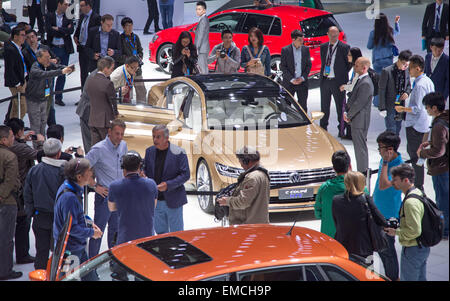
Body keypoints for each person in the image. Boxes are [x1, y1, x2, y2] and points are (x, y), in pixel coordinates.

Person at [85, 119, 128, 258]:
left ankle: (114, 264)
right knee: (98, 232)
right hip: (104, 197)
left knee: (115, 232)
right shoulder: (98, 149)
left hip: (120, 197)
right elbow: (82, 169)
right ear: (109, 132)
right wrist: (94, 185)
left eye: (122, 134)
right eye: (117, 134)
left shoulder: (124, 146)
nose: (119, 137)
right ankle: (90, 266)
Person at [23, 138, 66, 270]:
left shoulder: (34, 170)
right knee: (62, 252)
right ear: (59, 153)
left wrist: (31, 213)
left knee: (41, 251)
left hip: (40, 216)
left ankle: (40, 276)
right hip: (60, 219)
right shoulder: (64, 171)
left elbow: (27, 194)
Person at [6, 118, 44, 266]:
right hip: (21, 190)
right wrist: (40, 142)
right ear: (19, 132)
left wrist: (23, 140)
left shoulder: (12, 145)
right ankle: (22, 254)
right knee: (23, 223)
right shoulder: (18, 147)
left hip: (14, 190)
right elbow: (39, 155)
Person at [53, 158, 103, 268]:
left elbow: (77, 215)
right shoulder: (69, 197)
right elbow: (71, 228)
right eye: (88, 173)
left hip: (77, 246)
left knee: (90, 276)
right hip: (70, 251)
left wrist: (89, 222)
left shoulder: (69, 187)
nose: (91, 174)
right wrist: (92, 233)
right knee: (71, 278)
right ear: (79, 177)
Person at [395, 55, 434, 191]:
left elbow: (417, 108)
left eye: (410, 68)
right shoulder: (427, 81)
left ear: (417, 68)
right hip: (423, 124)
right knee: (417, 156)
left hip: (416, 126)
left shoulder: (420, 85)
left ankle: (418, 186)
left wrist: (402, 109)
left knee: (415, 156)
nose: (409, 71)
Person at [385, 164, 431, 281]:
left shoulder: (410, 202)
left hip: (413, 249)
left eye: (395, 180)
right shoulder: (418, 192)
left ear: (405, 180)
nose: (392, 182)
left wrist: (396, 232)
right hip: (422, 247)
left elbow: (414, 231)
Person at [143, 125, 190, 234]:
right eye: (153, 136)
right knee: (160, 234)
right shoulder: (149, 151)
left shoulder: (179, 152)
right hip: (155, 201)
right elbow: (144, 168)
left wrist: (168, 185)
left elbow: (185, 174)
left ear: (167, 138)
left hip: (173, 200)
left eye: (158, 137)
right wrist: (143, 175)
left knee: (177, 235)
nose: (155, 140)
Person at [332, 171, 387, 263]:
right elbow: (381, 220)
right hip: (364, 247)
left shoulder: (336, 200)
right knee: (366, 274)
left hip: (343, 245)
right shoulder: (365, 199)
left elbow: (336, 222)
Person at [373, 131, 404, 281]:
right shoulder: (385, 158)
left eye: (380, 147)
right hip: (377, 210)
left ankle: (393, 278)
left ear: (390, 149)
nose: (379, 151)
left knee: (387, 249)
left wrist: (385, 162)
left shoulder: (398, 168)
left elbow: (384, 184)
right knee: (381, 248)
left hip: (388, 215)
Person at [108, 151, 158, 245]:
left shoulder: (114, 186)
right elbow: (153, 205)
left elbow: (111, 208)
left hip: (125, 238)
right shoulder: (151, 184)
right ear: (140, 167)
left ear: (123, 167)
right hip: (148, 238)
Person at [26, 49, 73, 145]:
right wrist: (62, 72)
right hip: (34, 101)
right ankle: (37, 147)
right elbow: (46, 74)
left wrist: (67, 68)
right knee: (36, 125)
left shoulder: (48, 65)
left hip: (45, 99)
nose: (49, 59)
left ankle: (42, 144)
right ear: (39, 58)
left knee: (43, 123)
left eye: (49, 57)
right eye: (46, 57)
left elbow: (57, 66)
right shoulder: (35, 69)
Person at [418, 92, 449, 240]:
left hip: (441, 167)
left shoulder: (438, 126)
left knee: (443, 199)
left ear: (434, 108)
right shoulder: (446, 118)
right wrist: (431, 143)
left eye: (428, 108)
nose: (427, 111)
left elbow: (439, 151)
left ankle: (445, 230)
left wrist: (423, 153)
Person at [217, 146, 270, 225]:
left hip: (247, 225)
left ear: (246, 161)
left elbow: (243, 202)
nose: (241, 165)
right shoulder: (262, 173)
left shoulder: (252, 178)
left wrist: (227, 201)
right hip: (259, 222)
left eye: (240, 162)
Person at [344, 57, 374, 173]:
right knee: (359, 147)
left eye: (356, 65)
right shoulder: (361, 80)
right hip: (357, 119)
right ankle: (362, 171)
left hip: (360, 120)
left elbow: (359, 103)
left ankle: (363, 172)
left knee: (360, 148)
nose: (354, 67)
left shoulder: (366, 83)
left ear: (364, 68)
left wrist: (349, 115)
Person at [319, 26, 351, 137]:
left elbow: (349, 64)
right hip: (325, 81)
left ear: (338, 34)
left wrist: (342, 74)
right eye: (332, 34)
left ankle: (341, 130)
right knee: (324, 107)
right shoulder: (323, 47)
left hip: (339, 82)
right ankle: (323, 130)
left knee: (340, 108)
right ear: (327, 34)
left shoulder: (344, 47)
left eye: (336, 34)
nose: (334, 36)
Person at [0, 125, 21, 280]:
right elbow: (11, 180)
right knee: (6, 237)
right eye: (11, 136)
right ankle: (5, 270)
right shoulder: (10, 156)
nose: (14, 138)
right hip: (7, 201)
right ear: (4, 139)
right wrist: (2, 196)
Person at [314, 150, 351, 239]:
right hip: (352, 238)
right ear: (349, 166)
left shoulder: (324, 188)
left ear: (333, 168)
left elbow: (318, 213)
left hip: (329, 238)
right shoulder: (359, 187)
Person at [44, 0, 74, 107]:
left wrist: (58, 29)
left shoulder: (69, 16)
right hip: (53, 49)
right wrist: (63, 31)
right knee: (50, 74)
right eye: (65, 4)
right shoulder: (50, 16)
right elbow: (49, 30)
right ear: (59, 4)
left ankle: (58, 97)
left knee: (63, 73)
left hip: (64, 49)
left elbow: (71, 31)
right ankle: (48, 96)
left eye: (68, 5)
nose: (67, 6)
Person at [378, 50, 412, 135]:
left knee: (398, 128)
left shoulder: (407, 71)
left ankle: (393, 145)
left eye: (407, 65)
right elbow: (382, 90)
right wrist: (382, 107)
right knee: (391, 128)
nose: (405, 66)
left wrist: (407, 93)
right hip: (390, 104)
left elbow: (408, 85)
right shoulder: (387, 71)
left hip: (400, 104)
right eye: (404, 64)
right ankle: (391, 145)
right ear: (399, 60)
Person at [86, 56, 118, 146]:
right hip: (105, 121)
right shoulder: (108, 83)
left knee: (95, 147)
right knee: (107, 147)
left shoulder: (90, 80)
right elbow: (113, 102)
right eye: (111, 69)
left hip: (93, 119)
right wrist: (116, 114)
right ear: (105, 69)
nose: (112, 71)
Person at [280, 29, 312, 112]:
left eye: (302, 40)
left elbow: (309, 65)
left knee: (303, 107)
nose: (302, 42)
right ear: (293, 39)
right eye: (299, 40)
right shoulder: (285, 50)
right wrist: (292, 79)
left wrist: (303, 78)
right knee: (286, 106)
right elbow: (283, 67)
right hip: (289, 83)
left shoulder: (305, 49)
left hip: (302, 83)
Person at [73, 0, 101, 89]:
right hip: (82, 48)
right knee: (83, 73)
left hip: (91, 49)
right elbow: (79, 28)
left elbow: (97, 35)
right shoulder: (82, 16)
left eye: (82, 6)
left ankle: (93, 96)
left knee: (93, 72)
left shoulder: (96, 17)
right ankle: (83, 96)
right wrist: (75, 36)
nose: (80, 8)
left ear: (88, 6)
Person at [118, 17, 146, 103]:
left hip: (137, 70)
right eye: (127, 26)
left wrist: (140, 57)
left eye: (131, 25)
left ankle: (143, 108)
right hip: (127, 70)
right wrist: (131, 60)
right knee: (127, 93)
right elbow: (119, 56)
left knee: (141, 91)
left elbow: (140, 50)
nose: (130, 28)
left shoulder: (135, 37)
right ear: (123, 27)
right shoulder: (120, 38)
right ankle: (128, 109)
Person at [3, 25, 28, 123]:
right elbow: (10, 69)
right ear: (15, 36)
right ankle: (16, 127)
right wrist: (17, 83)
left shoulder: (18, 47)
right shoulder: (10, 49)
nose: (24, 38)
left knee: (15, 107)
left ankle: (12, 126)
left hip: (22, 79)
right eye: (22, 35)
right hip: (16, 83)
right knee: (22, 108)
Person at [339, 47, 363, 139]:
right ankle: (350, 134)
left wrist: (344, 87)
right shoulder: (354, 67)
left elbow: (354, 85)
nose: (347, 56)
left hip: (356, 96)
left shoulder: (358, 68)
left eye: (349, 55)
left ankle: (353, 135)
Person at [76, 69, 97, 154]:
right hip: (86, 111)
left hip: (90, 111)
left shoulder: (96, 75)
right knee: (88, 140)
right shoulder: (94, 78)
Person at [194, 1, 209, 75]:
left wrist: (196, 47)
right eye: (196, 9)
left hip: (201, 49)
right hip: (203, 48)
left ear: (204, 10)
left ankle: (205, 82)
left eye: (199, 9)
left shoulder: (203, 20)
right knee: (203, 67)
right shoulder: (203, 19)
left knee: (203, 69)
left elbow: (200, 35)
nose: (197, 11)